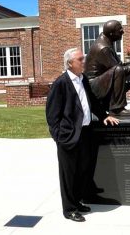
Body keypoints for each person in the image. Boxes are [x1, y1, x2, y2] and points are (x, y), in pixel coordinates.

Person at [46, 48, 119, 222]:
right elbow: (52, 114)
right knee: (68, 175)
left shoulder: (83, 79)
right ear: (70, 63)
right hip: (68, 137)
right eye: (80, 59)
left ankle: (78, 202)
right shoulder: (61, 83)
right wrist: (59, 137)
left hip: (85, 133)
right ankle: (69, 209)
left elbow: (92, 101)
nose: (84, 61)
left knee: (82, 171)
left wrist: (104, 115)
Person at [84, 20, 130, 116]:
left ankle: (110, 102)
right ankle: (117, 108)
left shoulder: (107, 41)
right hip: (94, 86)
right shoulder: (103, 48)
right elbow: (118, 70)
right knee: (119, 70)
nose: (123, 31)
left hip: (103, 80)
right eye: (120, 30)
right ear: (111, 33)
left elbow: (118, 65)